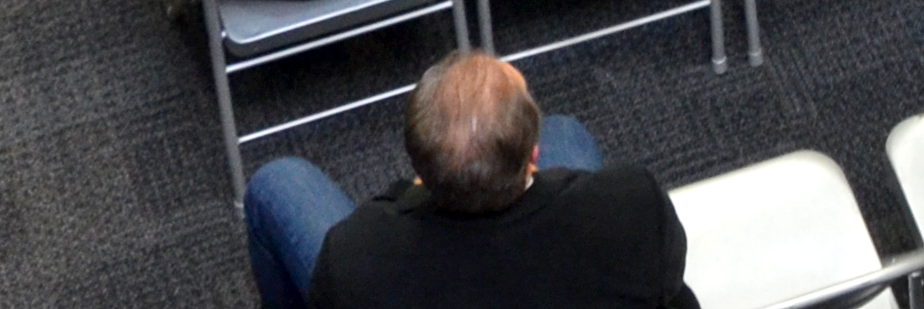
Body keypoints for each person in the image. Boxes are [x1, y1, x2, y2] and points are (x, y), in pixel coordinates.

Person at [247, 52, 682, 309]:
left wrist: (404, 198)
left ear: (421, 172)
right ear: (533, 156)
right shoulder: (633, 208)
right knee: (565, 132)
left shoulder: (356, 258)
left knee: (276, 183)